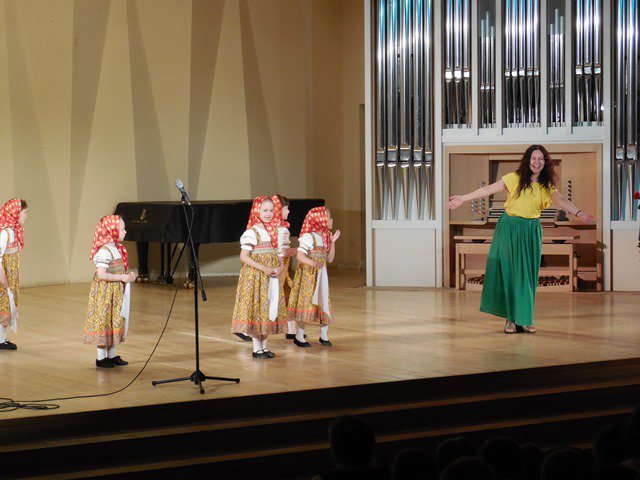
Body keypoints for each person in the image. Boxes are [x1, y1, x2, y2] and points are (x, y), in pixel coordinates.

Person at [448, 144, 595, 333]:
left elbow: (561, 201)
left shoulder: (546, 185)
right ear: (528, 160)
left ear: (545, 162)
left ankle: (524, 319)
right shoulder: (514, 178)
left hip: (531, 230)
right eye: (534, 158)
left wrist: (579, 212)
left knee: (527, 276)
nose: (537, 162)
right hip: (509, 228)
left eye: (541, 159)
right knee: (510, 273)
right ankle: (510, 319)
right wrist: (464, 198)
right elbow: (488, 189)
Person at [231, 196, 287, 359]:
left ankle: (264, 346)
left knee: (269, 308)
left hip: (271, 278)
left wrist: (280, 268)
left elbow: (279, 255)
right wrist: (263, 268)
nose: (268, 214)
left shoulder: (275, 231)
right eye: (265, 210)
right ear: (257, 211)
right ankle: (257, 348)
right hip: (256, 278)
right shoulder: (252, 232)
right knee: (257, 310)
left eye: (271, 210)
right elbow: (244, 256)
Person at [84, 215, 136, 368]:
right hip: (105, 295)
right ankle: (101, 357)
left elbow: (119, 270)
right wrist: (121, 278)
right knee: (104, 321)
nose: (125, 231)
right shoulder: (104, 251)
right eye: (122, 229)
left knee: (114, 320)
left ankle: (112, 355)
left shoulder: (117, 249)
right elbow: (101, 275)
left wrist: (128, 275)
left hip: (116, 293)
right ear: (111, 231)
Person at [287, 206, 340, 347]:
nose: (331, 220)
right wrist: (313, 263)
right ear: (320, 220)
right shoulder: (308, 237)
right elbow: (300, 256)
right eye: (328, 217)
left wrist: (332, 242)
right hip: (309, 278)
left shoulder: (324, 237)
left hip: (321, 277)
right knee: (307, 303)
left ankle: (324, 335)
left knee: (324, 303)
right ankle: (299, 336)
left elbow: (329, 259)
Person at [0, 199, 28, 351]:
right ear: (15, 213)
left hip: (11, 276)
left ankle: (2, 338)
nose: (25, 216)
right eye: (24, 213)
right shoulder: (4, 233)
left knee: (8, 305)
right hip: (4, 276)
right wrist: (3, 278)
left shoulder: (13, 230)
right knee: (4, 305)